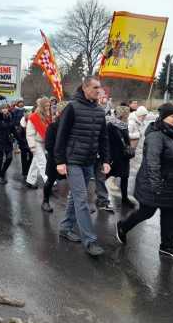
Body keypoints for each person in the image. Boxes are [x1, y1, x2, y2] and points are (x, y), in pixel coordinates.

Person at [116, 103, 173, 260]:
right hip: (154, 184)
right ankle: (123, 226)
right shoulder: (156, 136)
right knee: (147, 212)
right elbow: (152, 162)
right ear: (163, 118)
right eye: (172, 116)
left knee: (169, 215)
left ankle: (166, 247)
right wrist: (156, 185)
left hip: (172, 185)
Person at [55, 77, 110, 257]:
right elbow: (61, 136)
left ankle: (65, 227)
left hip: (89, 160)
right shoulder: (72, 107)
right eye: (95, 87)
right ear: (85, 88)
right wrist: (60, 161)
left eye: (99, 88)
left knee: (76, 197)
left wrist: (106, 160)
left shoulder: (100, 111)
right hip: (72, 160)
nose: (98, 90)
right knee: (82, 199)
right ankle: (90, 240)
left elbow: (103, 138)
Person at [42, 101, 68, 213]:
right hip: (55, 159)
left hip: (70, 159)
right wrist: (59, 158)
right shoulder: (52, 127)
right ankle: (45, 201)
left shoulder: (72, 126)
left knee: (75, 183)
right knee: (50, 180)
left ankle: (78, 206)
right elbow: (48, 146)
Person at [107, 106, 135, 207]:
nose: (128, 116)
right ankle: (100, 196)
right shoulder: (111, 125)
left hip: (123, 156)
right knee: (105, 176)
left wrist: (129, 150)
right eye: (126, 114)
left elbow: (126, 140)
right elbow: (107, 141)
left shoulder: (124, 125)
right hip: (114, 156)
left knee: (125, 177)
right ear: (121, 115)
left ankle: (124, 198)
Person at [25, 97, 52, 189]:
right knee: (42, 162)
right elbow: (30, 133)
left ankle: (30, 180)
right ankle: (49, 182)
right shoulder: (33, 117)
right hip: (36, 142)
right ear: (42, 106)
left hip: (44, 142)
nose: (48, 107)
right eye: (46, 105)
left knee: (36, 162)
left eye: (49, 105)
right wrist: (32, 146)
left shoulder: (48, 115)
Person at [0, 98, 15, 184]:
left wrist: (20, 139)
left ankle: (2, 172)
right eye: (2, 108)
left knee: (9, 158)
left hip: (8, 141)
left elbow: (13, 129)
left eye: (6, 108)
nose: (5, 110)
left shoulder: (10, 116)